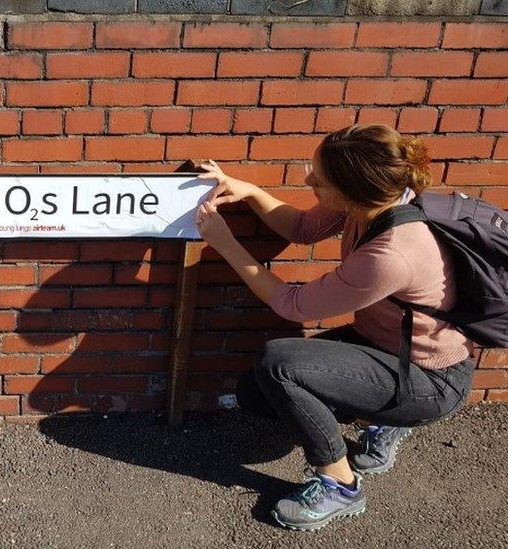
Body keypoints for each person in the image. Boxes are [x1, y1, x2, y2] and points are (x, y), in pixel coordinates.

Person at [194, 124, 475, 531]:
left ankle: (341, 486)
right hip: (383, 348)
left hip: (430, 378)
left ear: (350, 191)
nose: (308, 181)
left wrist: (225, 244)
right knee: (256, 394)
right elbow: (303, 229)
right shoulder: (375, 198)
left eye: (318, 180)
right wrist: (249, 190)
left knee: (279, 363)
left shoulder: (394, 253)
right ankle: (381, 417)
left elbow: (293, 305)